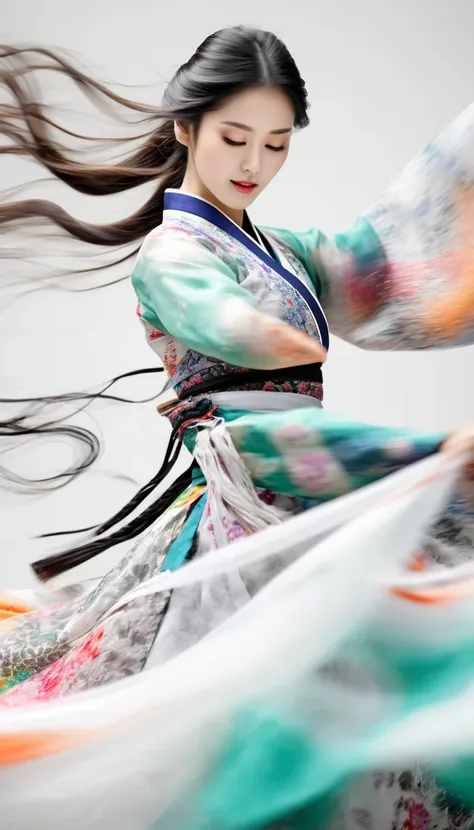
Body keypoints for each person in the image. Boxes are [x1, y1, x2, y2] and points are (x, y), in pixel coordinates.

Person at [1, 25, 474, 829]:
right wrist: (264, 337)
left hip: (305, 493)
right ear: (186, 128)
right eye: (233, 138)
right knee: (232, 734)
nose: (252, 164)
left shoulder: (284, 249)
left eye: (276, 143)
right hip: (249, 501)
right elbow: (214, 316)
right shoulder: (172, 251)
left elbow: (386, 263)